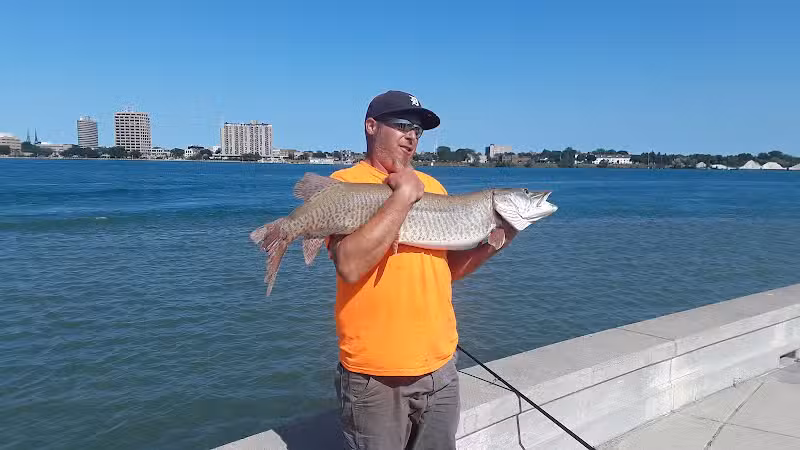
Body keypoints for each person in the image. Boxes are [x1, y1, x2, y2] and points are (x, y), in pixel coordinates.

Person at [328, 90, 517, 450]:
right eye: (401, 125)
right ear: (371, 126)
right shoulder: (344, 184)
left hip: (441, 369)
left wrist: (497, 242)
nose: (412, 136)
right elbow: (349, 266)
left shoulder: (434, 187)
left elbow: (447, 271)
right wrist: (402, 196)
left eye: (417, 129)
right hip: (376, 377)